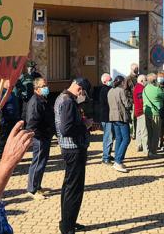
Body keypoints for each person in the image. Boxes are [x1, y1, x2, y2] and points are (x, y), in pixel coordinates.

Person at [55, 78, 91, 234]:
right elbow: (66, 128)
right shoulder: (68, 101)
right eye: (84, 93)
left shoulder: (62, 97)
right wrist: (85, 125)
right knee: (74, 189)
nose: (83, 96)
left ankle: (68, 221)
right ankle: (67, 227)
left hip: (70, 149)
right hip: (74, 149)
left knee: (69, 187)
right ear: (80, 89)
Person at [26, 77, 54, 199]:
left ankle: (38, 185)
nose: (46, 88)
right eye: (43, 86)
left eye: (46, 85)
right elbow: (32, 122)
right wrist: (38, 135)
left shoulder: (43, 99)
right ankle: (32, 189)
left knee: (42, 162)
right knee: (37, 162)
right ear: (36, 89)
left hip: (45, 135)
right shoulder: (35, 102)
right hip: (40, 136)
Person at [108, 76, 132, 173]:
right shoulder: (121, 91)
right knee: (126, 139)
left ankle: (117, 160)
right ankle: (118, 160)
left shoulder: (110, 91)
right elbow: (126, 104)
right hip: (121, 117)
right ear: (122, 82)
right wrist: (130, 102)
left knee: (118, 138)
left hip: (113, 117)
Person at [0, 80, 20, 161]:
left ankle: (10, 155)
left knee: (12, 138)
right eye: (10, 82)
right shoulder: (0, 92)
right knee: (4, 139)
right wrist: (1, 119)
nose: (12, 84)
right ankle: (1, 156)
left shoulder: (11, 92)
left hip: (13, 119)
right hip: (5, 119)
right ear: (4, 82)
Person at [143, 73, 164, 157]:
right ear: (154, 80)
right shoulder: (157, 89)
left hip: (147, 113)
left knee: (149, 133)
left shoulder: (145, 89)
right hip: (155, 113)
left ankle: (149, 150)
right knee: (156, 133)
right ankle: (153, 152)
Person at [99, 73, 114, 164]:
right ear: (105, 81)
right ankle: (106, 157)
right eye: (110, 79)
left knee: (108, 136)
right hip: (107, 117)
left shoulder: (105, 89)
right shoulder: (106, 90)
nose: (111, 81)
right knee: (108, 137)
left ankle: (107, 154)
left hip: (106, 116)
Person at [125, 63, 139, 139]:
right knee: (132, 118)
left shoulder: (139, 77)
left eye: (137, 68)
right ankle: (132, 133)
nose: (136, 69)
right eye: (135, 68)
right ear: (131, 69)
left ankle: (137, 132)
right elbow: (125, 90)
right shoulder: (128, 79)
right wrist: (129, 100)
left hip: (139, 101)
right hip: (132, 101)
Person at [133, 74, 147, 153]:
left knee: (139, 129)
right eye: (145, 80)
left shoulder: (136, 87)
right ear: (142, 81)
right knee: (144, 130)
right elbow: (141, 100)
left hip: (137, 111)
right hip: (141, 111)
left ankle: (139, 145)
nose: (146, 82)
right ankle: (145, 149)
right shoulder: (140, 88)